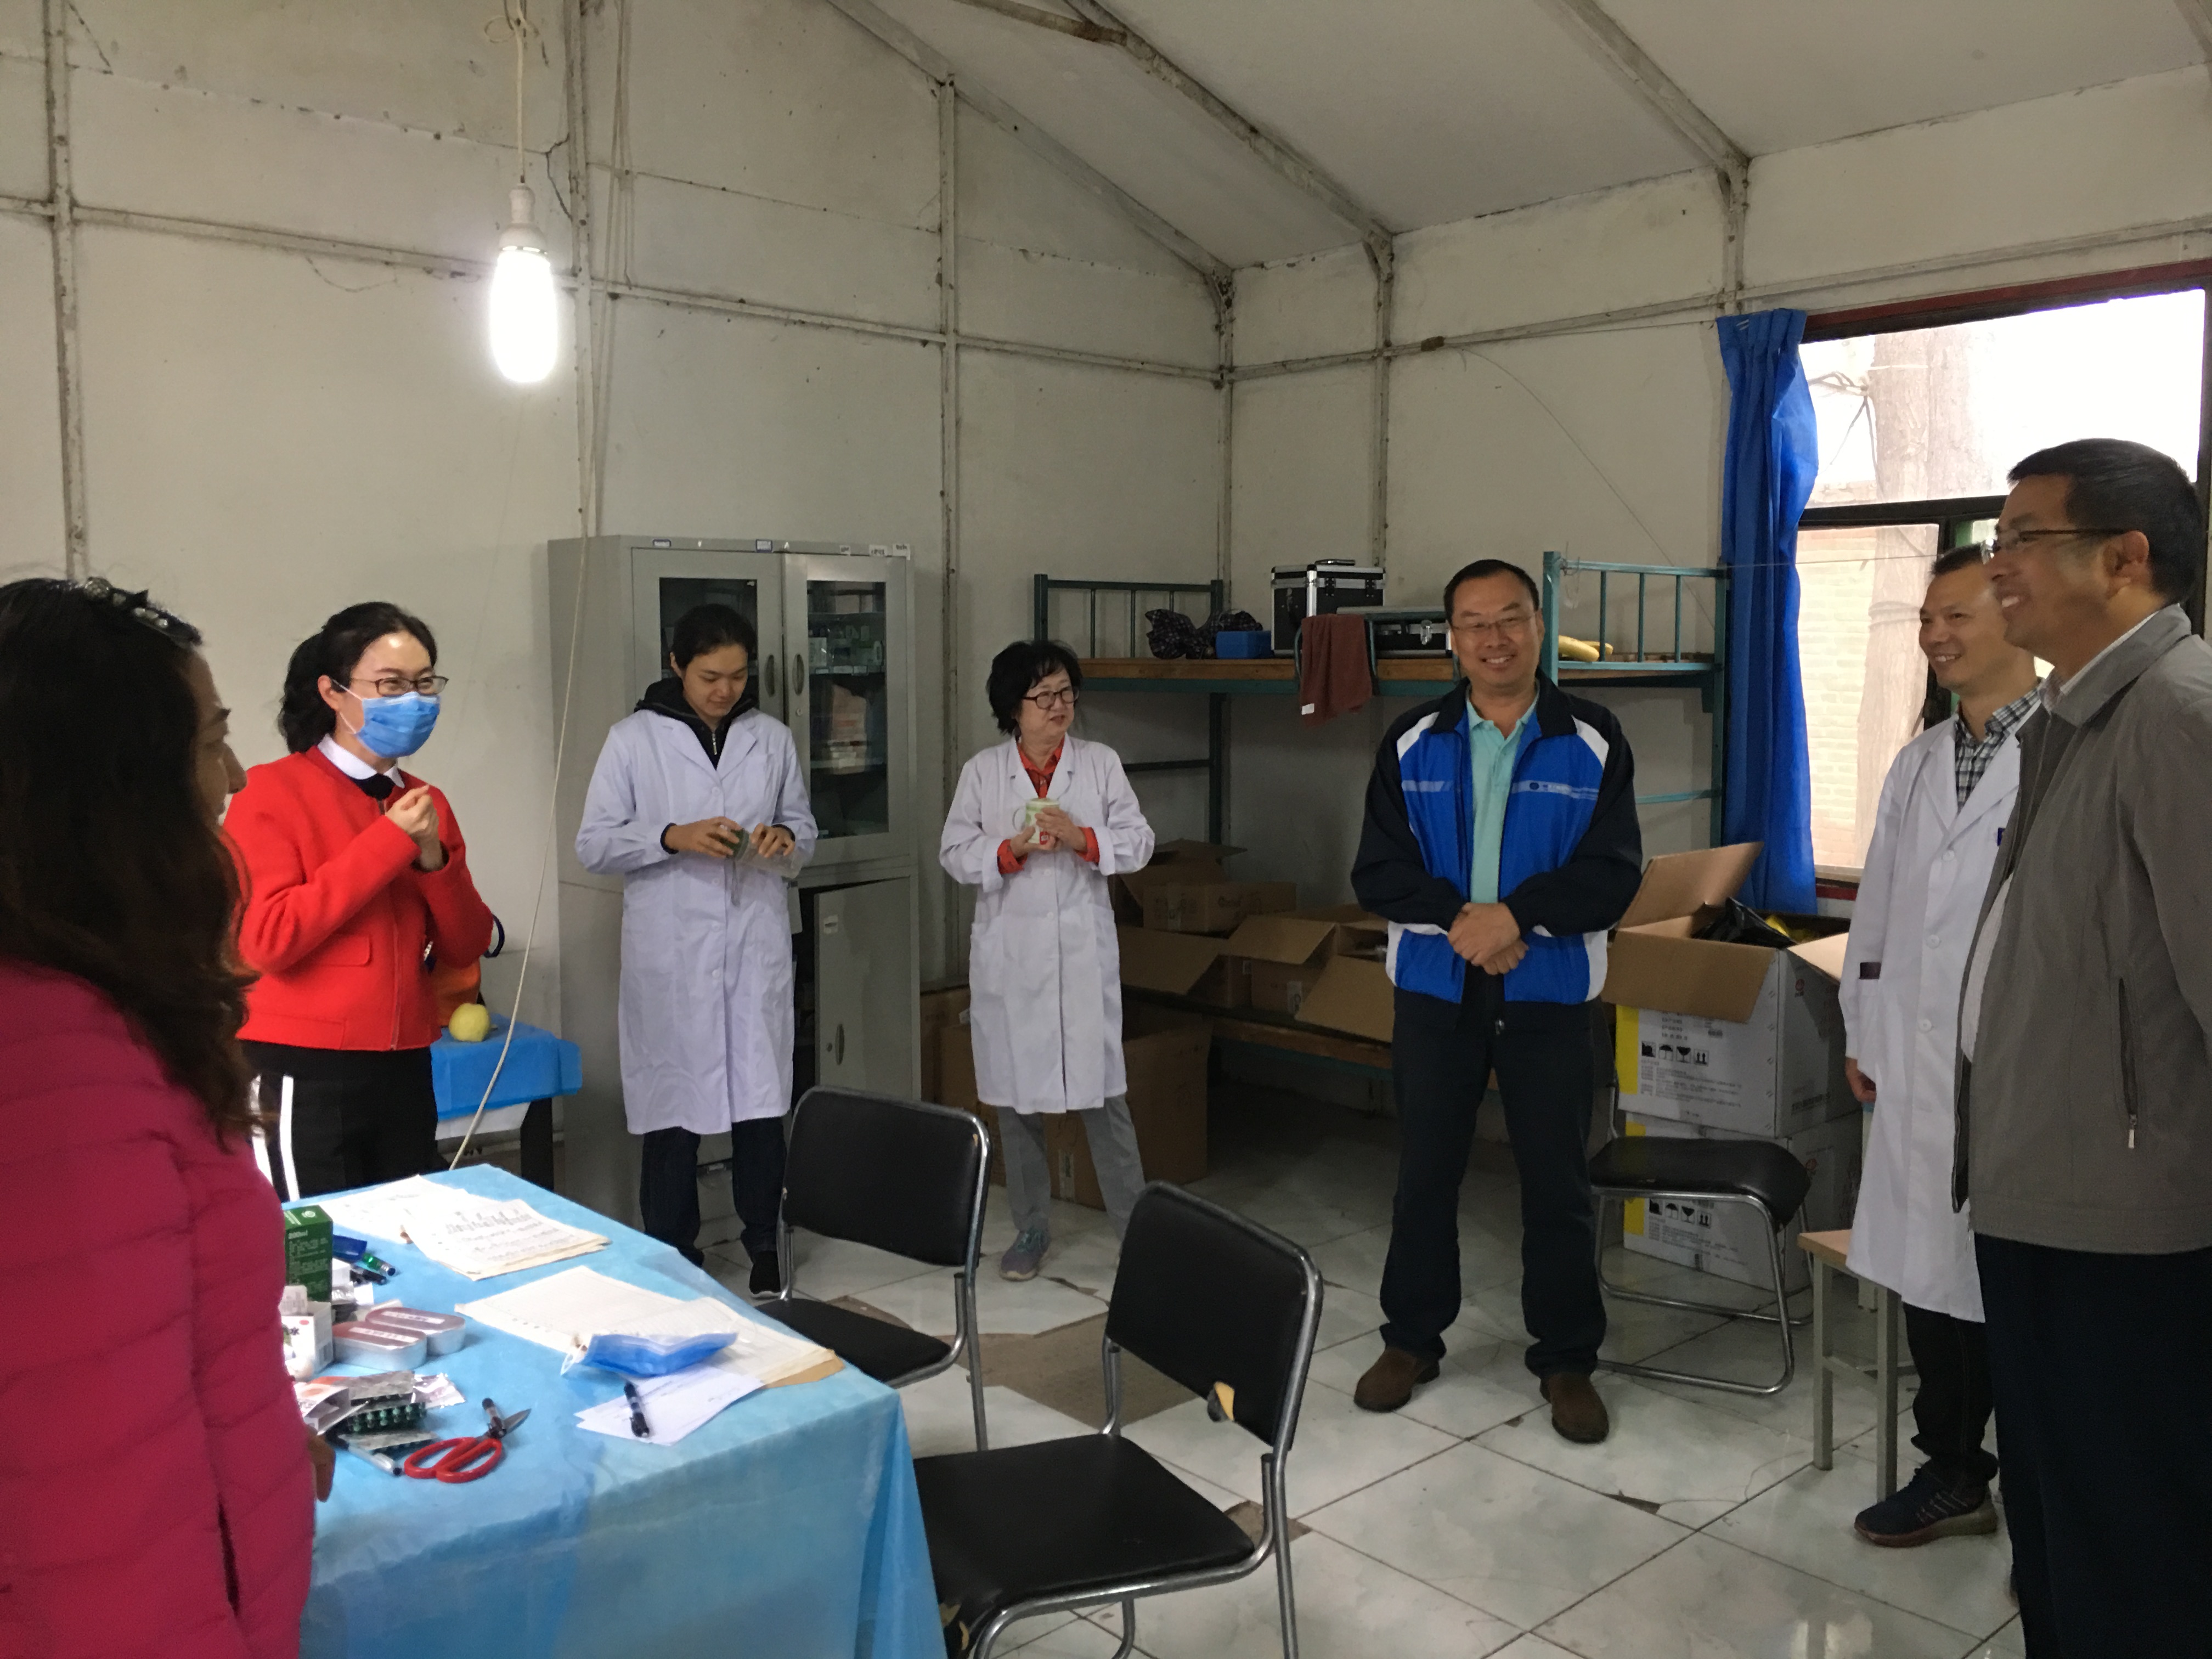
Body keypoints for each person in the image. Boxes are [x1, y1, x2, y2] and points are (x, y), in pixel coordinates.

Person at [0, 577, 323, 1659]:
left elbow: (150, 1359)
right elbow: (93, 1497)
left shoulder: (99, 1000)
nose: (233, 777)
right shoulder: (49, 1065)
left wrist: (263, 1448)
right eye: (211, 740)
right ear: (114, 786)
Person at [1957, 438, 2212, 1657]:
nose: (1996, 566)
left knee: (2128, 1535)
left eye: (2022, 538)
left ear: (2124, 558)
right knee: (2059, 1513)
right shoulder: (2074, 717)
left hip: (2127, 1223)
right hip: (2048, 1189)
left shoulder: (2177, 718)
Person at [1348, 558, 1641, 1442]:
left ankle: (1567, 1357)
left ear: (1539, 625)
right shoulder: (1413, 740)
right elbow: (1379, 871)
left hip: (1548, 992)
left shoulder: (1592, 738)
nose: (1494, 638)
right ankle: (1411, 1339)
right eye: (1474, 623)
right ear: (1453, 640)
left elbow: (1612, 874)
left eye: (1510, 617)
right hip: (1437, 991)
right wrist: (1462, 920)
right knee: (1424, 1174)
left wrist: (1517, 917)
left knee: (1556, 1181)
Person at [1839, 546, 2039, 1548]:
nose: (1934, 635)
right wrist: (1861, 1026)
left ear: (2016, 613)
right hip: (1912, 1061)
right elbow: (1877, 909)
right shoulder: (1919, 759)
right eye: (1926, 618)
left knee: (2023, 1287)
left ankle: (2044, 1506)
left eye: (1955, 615)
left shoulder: (2068, 744)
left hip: (2022, 1068)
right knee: (1928, 1269)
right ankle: (1954, 1470)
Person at [577, 604, 816, 1291]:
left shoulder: (771, 739)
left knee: (761, 1107)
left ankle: (766, 1246)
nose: (725, 691)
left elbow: (802, 829)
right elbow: (594, 843)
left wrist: (783, 840)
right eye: (710, 676)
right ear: (676, 665)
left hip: (753, 945)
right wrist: (670, 837)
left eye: (738, 677)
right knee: (672, 1109)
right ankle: (674, 1253)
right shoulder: (632, 741)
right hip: (672, 956)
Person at [226, 603, 495, 1199]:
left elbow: (466, 945)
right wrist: (389, 843)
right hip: (303, 1063)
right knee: (314, 1241)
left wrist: (433, 861)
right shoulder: (270, 791)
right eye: (391, 685)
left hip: (404, 1062)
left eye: (425, 684)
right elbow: (268, 942)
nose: (414, 700)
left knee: (404, 1230)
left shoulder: (426, 801)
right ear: (334, 692)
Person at [941, 640, 1155, 1280]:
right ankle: (1031, 1229)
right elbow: (954, 853)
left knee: (1105, 1100)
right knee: (1017, 1104)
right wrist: (1010, 850)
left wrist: (1082, 838)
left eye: (1066, 693)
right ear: (1014, 707)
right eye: (1044, 696)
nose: (1059, 706)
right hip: (1012, 959)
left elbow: (1139, 842)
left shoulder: (1099, 764)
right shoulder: (984, 773)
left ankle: (1137, 1233)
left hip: (1082, 959)